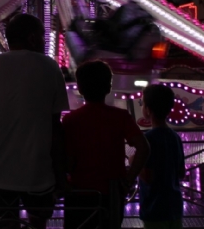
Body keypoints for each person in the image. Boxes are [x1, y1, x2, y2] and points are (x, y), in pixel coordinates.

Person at [0, 14, 69, 229]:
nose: (44, 43)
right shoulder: (50, 68)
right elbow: (55, 128)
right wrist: (61, 178)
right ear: (33, 39)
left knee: (4, 226)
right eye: (43, 38)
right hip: (38, 174)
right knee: (38, 224)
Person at [62, 60, 149, 229]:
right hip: (111, 191)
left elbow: (68, 159)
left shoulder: (70, 120)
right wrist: (129, 179)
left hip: (79, 191)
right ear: (108, 87)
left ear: (80, 88)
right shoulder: (121, 117)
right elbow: (144, 148)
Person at [139, 85, 185, 229]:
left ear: (147, 110)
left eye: (142, 103)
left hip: (154, 208)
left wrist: (132, 160)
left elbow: (148, 177)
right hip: (175, 207)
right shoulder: (175, 137)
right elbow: (181, 172)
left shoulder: (148, 139)